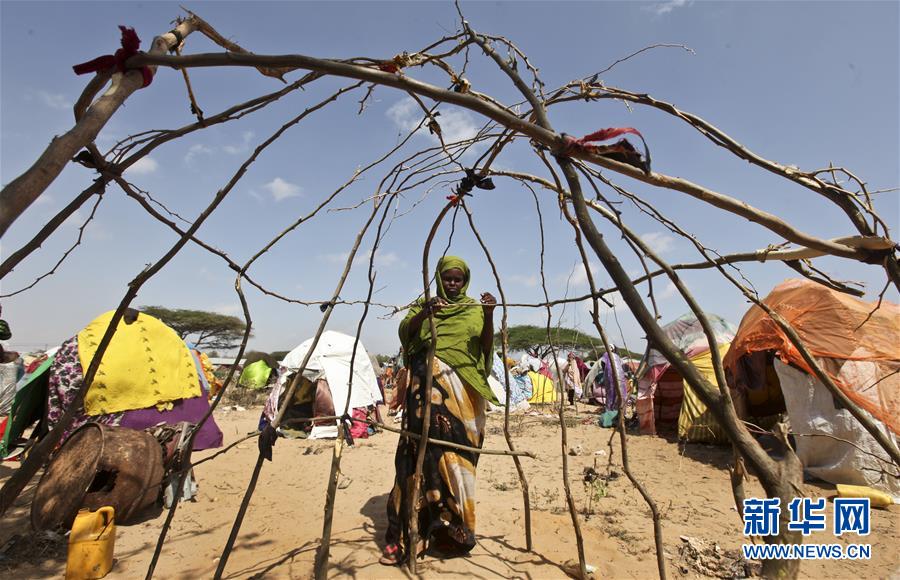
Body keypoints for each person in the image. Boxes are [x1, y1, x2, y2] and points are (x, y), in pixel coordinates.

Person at [381, 256, 497, 565]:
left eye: (458, 279)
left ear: (466, 280)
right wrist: (425, 313)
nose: (453, 283)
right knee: (416, 459)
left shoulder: (474, 308)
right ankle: (407, 534)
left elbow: (484, 350)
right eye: (448, 278)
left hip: (463, 399)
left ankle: (450, 532)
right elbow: (407, 335)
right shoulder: (425, 303)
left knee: (454, 461)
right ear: (439, 278)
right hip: (425, 397)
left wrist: (488, 316)